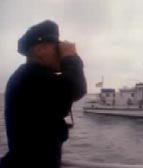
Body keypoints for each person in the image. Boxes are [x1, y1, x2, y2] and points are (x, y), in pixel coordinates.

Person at [0, 20, 87, 168]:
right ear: (40, 50)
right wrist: (70, 56)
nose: (60, 55)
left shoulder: (29, 76)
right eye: (57, 49)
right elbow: (76, 86)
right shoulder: (32, 78)